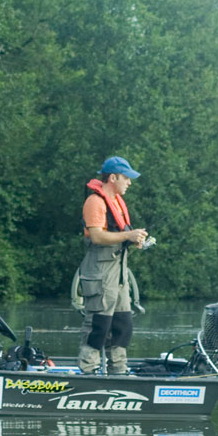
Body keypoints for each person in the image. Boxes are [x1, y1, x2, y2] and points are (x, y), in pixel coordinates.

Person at [77, 156, 148, 374]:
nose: (129, 183)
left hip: (119, 273)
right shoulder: (95, 202)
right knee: (98, 325)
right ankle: (88, 371)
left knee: (122, 324)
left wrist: (135, 239)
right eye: (126, 178)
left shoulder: (116, 201)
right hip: (100, 272)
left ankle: (119, 370)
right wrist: (129, 234)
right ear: (113, 177)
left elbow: (119, 233)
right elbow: (97, 237)